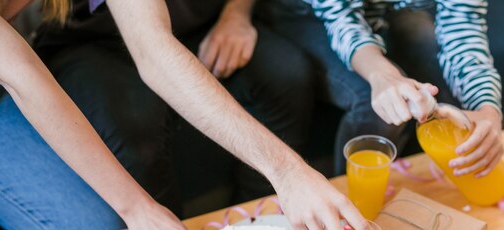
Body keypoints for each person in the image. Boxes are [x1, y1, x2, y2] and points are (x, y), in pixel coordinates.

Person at [0, 0, 378, 230]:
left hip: (4, 85)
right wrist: (139, 209)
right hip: (6, 88)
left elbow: (154, 48)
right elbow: (26, 80)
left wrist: (289, 171)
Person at [257, 0, 504, 175]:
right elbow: (342, 19)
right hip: (308, 13)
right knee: (372, 101)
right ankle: (344, 216)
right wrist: (383, 76)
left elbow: (464, 27)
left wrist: (488, 109)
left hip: (392, 8)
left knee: (445, 81)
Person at [34, 0, 316, 207]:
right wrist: (287, 170)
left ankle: (264, 228)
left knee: (287, 74)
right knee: (136, 120)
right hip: (93, 41)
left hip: (196, 24)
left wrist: (236, 14)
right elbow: (152, 49)